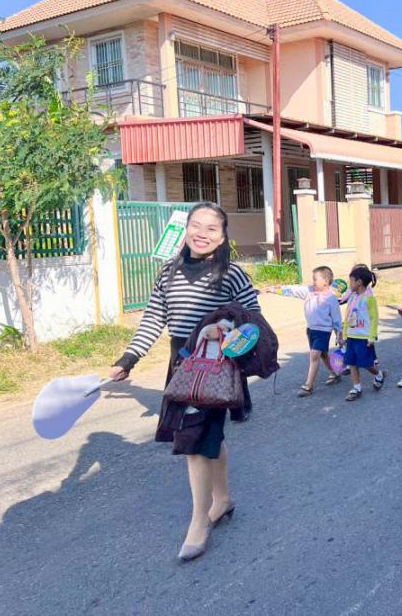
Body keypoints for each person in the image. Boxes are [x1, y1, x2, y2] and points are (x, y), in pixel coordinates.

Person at [108, 202, 261, 561]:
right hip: (182, 365)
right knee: (208, 438)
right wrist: (129, 358)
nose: (202, 233)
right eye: (196, 225)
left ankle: (199, 522)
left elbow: (253, 317)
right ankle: (222, 500)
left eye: (212, 228)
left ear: (222, 237)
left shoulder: (232, 274)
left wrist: (224, 326)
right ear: (186, 228)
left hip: (217, 366)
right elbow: (153, 318)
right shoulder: (168, 271)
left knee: (194, 443)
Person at [268, 266, 342, 396]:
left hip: (323, 331)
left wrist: (339, 334)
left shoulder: (331, 299)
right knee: (323, 354)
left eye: (315, 279)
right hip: (311, 330)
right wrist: (274, 289)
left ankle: (308, 386)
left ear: (325, 281)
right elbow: (293, 290)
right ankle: (335, 373)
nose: (313, 281)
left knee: (314, 356)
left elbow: (337, 319)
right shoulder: (309, 291)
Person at [343, 265, 386, 401]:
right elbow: (347, 316)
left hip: (364, 337)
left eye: (351, 281)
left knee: (366, 364)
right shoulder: (352, 297)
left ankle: (378, 374)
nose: (350, 284)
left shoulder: (369, 298)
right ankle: (357, 388)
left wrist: (372, 336)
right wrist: (344, 334)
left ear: (359, 282)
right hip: (351, 336)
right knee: (352, 363)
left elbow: (374, 318)